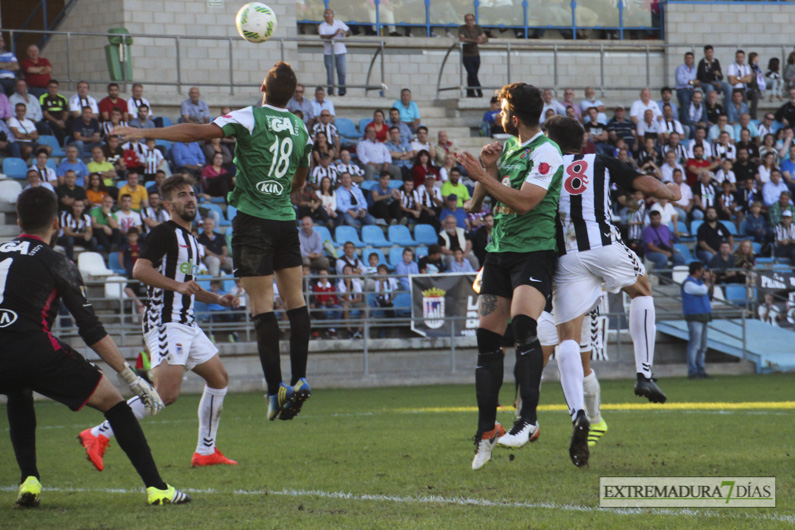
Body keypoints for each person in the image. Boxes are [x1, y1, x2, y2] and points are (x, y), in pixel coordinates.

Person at [114, 62, 315, 423]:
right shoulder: (300, 126)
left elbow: (197, 132)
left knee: (262, 306)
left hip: (254, 221)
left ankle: (275, 391)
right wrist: (281, 189)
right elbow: (300, 180)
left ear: (262, 88)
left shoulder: (252, 116)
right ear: (291, 93)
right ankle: (300, 379)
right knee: (296, 301)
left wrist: (145, 131)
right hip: (286, 220)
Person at [0, 187, 190, 507]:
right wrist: (130, 376)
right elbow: (90, 329)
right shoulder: (57, 262)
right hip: (34, 349)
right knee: (115, 405)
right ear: (57, 222)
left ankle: (29, 479)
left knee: (17, 392)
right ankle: (158, 488)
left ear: (19, 221)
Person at [80, 175, 239, 470]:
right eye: (181, 195)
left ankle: (206, 451)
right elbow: (140, 270)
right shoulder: (164, 233)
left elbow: (188, 284)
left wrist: (217, 299)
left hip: (187, 322)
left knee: (219, 379)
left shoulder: (192, 239)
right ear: (168, 205)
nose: (190, 198)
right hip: (165, 321)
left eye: (191, 193)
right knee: (166, 393)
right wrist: (177, 288)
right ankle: (98, 434)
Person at [543, 117, 681, 442]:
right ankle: (644, 373)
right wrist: (670, 192)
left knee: (567, 340)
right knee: (643, 291)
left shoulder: (544, 168)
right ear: (583, 141)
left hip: (565, 259)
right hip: (603, 246)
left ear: (550, 140)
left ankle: (577, 413)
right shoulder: (600, 161)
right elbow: (643, 183)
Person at [456, 83, 564, 470]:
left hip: (533, 253)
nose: (498, 113)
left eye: (501, 108)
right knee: (487, 339)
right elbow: (473, 205)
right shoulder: (508, 150)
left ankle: (528, 418)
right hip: (498, 254)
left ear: (514, 116)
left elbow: (525, 201)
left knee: (522, 327)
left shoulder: (547, 152)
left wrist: (484, 176)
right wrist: (486, 171)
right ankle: (486, 431)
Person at [681, 261, 714, 379]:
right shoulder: (688, 283)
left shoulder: (698, 283)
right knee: (695, 344)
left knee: (702, 345)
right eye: (702, 271)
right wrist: (707, 281)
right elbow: (703, 290)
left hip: (703, 316)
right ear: (696, 271)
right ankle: (692, 370)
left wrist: (711, 281)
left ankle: (700, 369)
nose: (703, 273)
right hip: (694, 316)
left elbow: (709, 294)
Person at [318, 9, 350, 97]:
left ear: (333, 15)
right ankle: (331, 92)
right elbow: (323, 37)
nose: (328, 16)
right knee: (330, 74)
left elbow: (349, 32)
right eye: (326, 14)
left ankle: (342, 92)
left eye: (330, 14)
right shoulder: (322, 26)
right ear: (324, 16)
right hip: (329, 53)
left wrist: (345, 32)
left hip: (340, 52)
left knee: (342, 73)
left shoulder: (339, 23)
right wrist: (334, 34)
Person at [458, 13, 487, 98]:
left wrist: (481, 39)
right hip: (466, 55)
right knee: (472, 73)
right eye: (467, 20)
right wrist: (475, 40)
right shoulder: (462, 28)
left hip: (475, 54)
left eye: (471, 20)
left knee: (472, 74)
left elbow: (485, 38)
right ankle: (479, 91)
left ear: (473, 21)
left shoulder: (477, 28)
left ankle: (470, 92)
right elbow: (462, 38)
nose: (469, 22)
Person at [311, 268, 342, 337]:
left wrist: (332, 302)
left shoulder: (331, 286)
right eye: (321, 275)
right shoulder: (316, 286)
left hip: (330, 304)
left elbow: (334, 298)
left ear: (328, 275)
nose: (323, 276)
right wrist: (323, 302)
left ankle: (333, 328)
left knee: (339, 309)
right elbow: (317, 298)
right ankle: (328, 328)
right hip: (321, 305)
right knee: (324, 310)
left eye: (324, 274)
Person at [675, 52, 700, 123]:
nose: (688, 59)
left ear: (693, 59)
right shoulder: (680, 68)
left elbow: (694, 81)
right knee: (685, 102)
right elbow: (680, 81)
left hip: (692, 89)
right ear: (684, 59)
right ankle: (685, 121)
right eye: (687, 58)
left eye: (690, 58)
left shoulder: (694, 70)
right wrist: (692, 82)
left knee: (699, 100)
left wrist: (696, 83)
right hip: (682, 90)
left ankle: (696, 119)